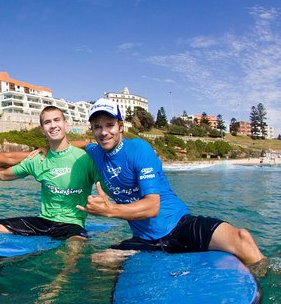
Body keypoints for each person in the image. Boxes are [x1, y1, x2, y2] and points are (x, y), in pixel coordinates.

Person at [77, 98, 265, 266]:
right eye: (97, 127)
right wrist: (46, 150)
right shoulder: (96, 151)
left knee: (242, 238)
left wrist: (109, 210)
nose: (103, 132)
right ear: (92, 130)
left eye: (109, 125)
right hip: (144, 240)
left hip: (178, 226)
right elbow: (83, 144)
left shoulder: (139, 149)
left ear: (121, 126)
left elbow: (152, 207)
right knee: (99, 261)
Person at [0, 106, 101, 304]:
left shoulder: (85, 159)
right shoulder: (38, 159)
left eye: (57, 120)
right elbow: (4, 175)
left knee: (75, 248)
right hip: (43, 221)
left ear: (66, 124)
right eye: (47, 122)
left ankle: (55, 288)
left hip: (72, 224)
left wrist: (105, 205)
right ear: (42, 129)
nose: (53, 125)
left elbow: (103, 185)